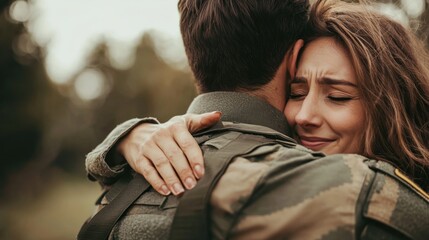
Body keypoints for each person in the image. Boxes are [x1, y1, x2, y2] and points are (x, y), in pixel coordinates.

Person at [83, 0, 429, 239]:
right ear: (289, 62)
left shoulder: (388, 202)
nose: (304, 115)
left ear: (393, 106)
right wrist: (128, 138)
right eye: (295, 92)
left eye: (337, 97)